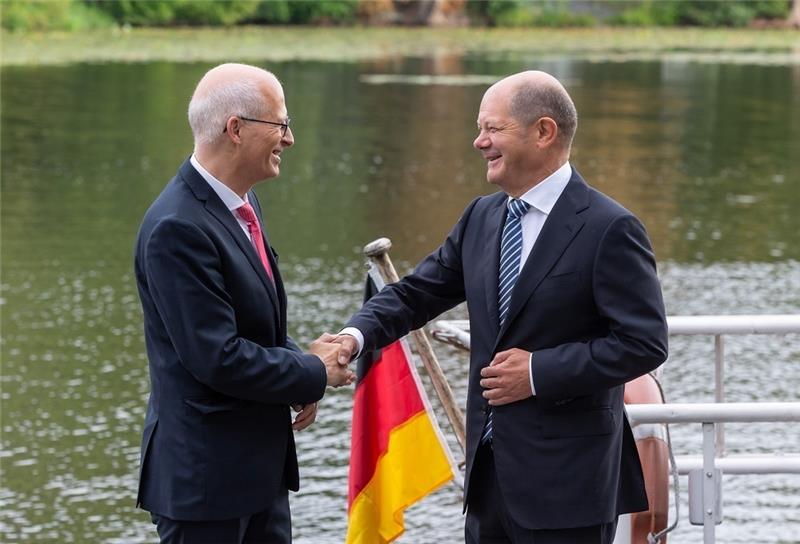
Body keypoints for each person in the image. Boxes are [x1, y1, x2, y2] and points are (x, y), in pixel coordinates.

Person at [333, 71, 668, 544]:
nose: (479, 142)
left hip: (569, 488)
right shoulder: (480, 217)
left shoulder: (610, 228)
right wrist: (353, 337)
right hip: (489, 484)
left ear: (543, 132)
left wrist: (537, 373)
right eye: (479, 128)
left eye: (492, 128)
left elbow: (643, 344)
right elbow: (415, 295)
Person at [133, 63, 353, 544]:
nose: (289, 139)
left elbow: (256, 328)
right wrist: (313, 372)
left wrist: (300, 361)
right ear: (236, 129)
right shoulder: (178, 227)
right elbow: (218, 357)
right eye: (281, 124)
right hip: (207, 486)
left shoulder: (242, 203)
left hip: (260, 478)